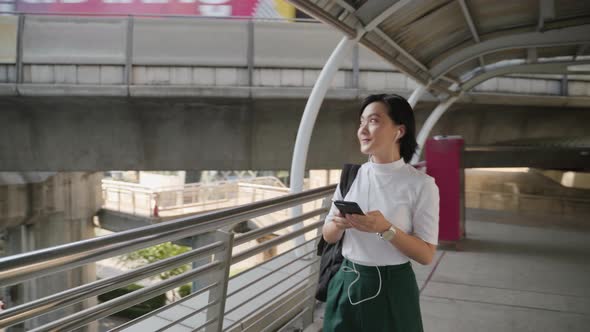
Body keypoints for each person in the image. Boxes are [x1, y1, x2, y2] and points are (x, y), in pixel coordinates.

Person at [322, 94, 440, 331]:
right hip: (346, 280)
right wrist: (338, 224)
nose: (362, 129)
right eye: (361, 122)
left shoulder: (421, 185)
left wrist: (386, 229)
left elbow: (426, 255)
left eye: (373, 121)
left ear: (399, 131)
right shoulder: (351, 177)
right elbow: (328, 235)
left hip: (393, 286)